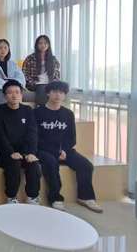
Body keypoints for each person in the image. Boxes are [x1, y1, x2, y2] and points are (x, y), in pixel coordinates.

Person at [34, 81, 102, 213]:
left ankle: (85, 197)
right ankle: (55, 198)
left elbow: (71, 138)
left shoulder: (68, 114)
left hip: (64, 150)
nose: (58, 95)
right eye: (54, 91)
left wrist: (64, 150)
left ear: (64, 95)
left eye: (61, 92)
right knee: (51, 163)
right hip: (44, 150)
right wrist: (56, 151)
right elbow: (35, 137)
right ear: (48, 93)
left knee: (86, 165)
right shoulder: (37, 112)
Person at [0, 80, 41, 204]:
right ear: (5, 96)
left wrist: (30, 152)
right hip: (5, 152)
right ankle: (11, 197)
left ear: (21, 94)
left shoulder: (28, 110)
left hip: (24, 151)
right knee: (14, 164)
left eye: (17, 92)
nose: (14, 95)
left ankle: (32, 197)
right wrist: (11, 152)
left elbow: (32, 133)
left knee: (34, 165)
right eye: (10, 92)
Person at [22, 35, 61, 106]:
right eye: (40, 43)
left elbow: (57, 76)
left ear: (48, 45)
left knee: (58, 88)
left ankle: (43, 108)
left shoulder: (53, 59)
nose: (43, 45)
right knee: (42, 88)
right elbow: (24, 74)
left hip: (49, 84)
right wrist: (33, 82)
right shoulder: (30, 58)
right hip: (34, 84)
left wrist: (54, 84)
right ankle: (42, 109)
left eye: (45, 43)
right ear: (37, 45)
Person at [0, 39, 26, 103]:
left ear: (8, 49)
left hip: (11, 89)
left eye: (5, 48)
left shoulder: (12, 62)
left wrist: (13, 86)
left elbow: (21, 78)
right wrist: (7, 85)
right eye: (0, 48)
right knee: (5, 94)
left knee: (16, 93)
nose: (3, 50)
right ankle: (4, 109)